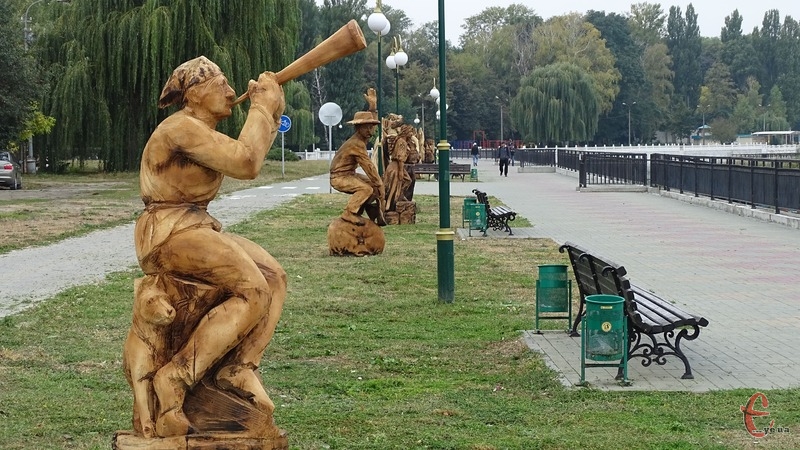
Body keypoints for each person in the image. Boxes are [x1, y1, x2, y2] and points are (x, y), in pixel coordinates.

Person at [133, 56, 287, 437]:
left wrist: (270, 113)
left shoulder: (201, 130)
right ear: (194, 94)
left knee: (274, 277)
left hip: (195, 226)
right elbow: (245, 162)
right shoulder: (180, 128)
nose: (231, 92)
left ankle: (238, 367)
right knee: (253, 288)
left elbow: (248, 155)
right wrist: (262, 108)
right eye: (221, 84)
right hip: (168, 231)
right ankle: (175, 377)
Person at [330, 89, 386, 226]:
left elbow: (371, 121)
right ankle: (349, 213)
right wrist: (380, 184)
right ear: (357, 128)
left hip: (350, 174)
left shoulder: (362, 138)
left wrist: (372, 108)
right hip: (339, 177)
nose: (370, 131)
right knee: (366, 189)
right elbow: (369, 167)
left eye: (371, 128)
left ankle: (361, 211)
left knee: (373, 187)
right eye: (366, 128)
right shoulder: (356, 144)